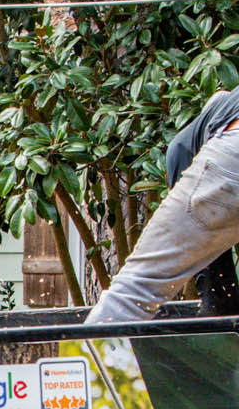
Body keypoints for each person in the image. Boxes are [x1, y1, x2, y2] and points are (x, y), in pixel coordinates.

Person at [85, 88, 239, 324]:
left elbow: (179, 152)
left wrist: (215, 295)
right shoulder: (212, 119)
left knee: (133, 294)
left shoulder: (211, 121)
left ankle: (88, 357)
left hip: (231, 156)